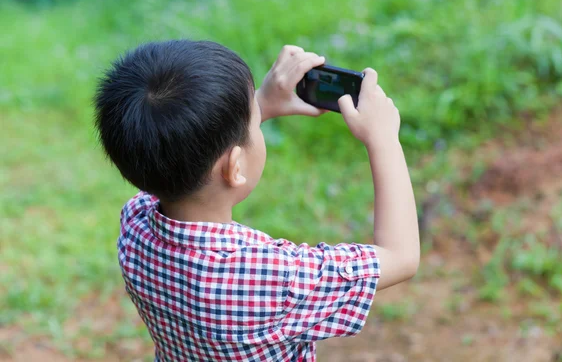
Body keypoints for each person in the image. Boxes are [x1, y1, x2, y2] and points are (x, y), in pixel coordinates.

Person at [94, 40, 420, 362]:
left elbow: (171, 157)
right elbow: (400, 256)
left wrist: (262, 102)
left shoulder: (135, 225)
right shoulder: (274, 279)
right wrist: (383, 139)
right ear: (235, 167)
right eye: (254, 121)